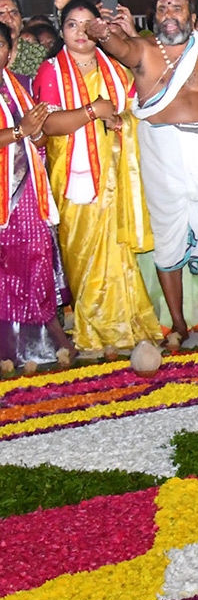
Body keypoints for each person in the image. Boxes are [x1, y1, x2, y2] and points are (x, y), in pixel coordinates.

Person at [83, 0, 198, 343]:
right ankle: (178, 324)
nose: (169, 13)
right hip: (162, 156)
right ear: (154, 17)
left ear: (191, 16)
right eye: (162, 8)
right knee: (168, 241)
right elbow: (121, 48)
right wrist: (103, 33)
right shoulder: (144, 49)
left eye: (177, 7)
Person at [35, 0, 161, 353]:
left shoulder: (116, 68)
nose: (80, 32)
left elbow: (136, 109)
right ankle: (96, 328)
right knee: (84, 253)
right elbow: (48, 125)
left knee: (118, 252)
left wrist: (120, 120)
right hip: (75, 178)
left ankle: (128, 324)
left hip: (117, 172)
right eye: (72, 24)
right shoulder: (51, 71)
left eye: (87, 24)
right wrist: (93, 111)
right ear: (61, 30)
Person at [0, 23, 73, 365]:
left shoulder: (18, 85)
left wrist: (36, 132)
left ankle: (46, 335)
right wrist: (21, 130)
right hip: (5, 191)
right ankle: (16, 344)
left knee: (37, 254)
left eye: (1, 45)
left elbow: (38, 135)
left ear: (10, 50)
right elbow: (22, 130)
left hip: (28, 189)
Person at [0, 0, 48, 79]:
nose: (9, 20)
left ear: (22, 21)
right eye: (1, 14)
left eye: (14, 13)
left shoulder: (35, 53)